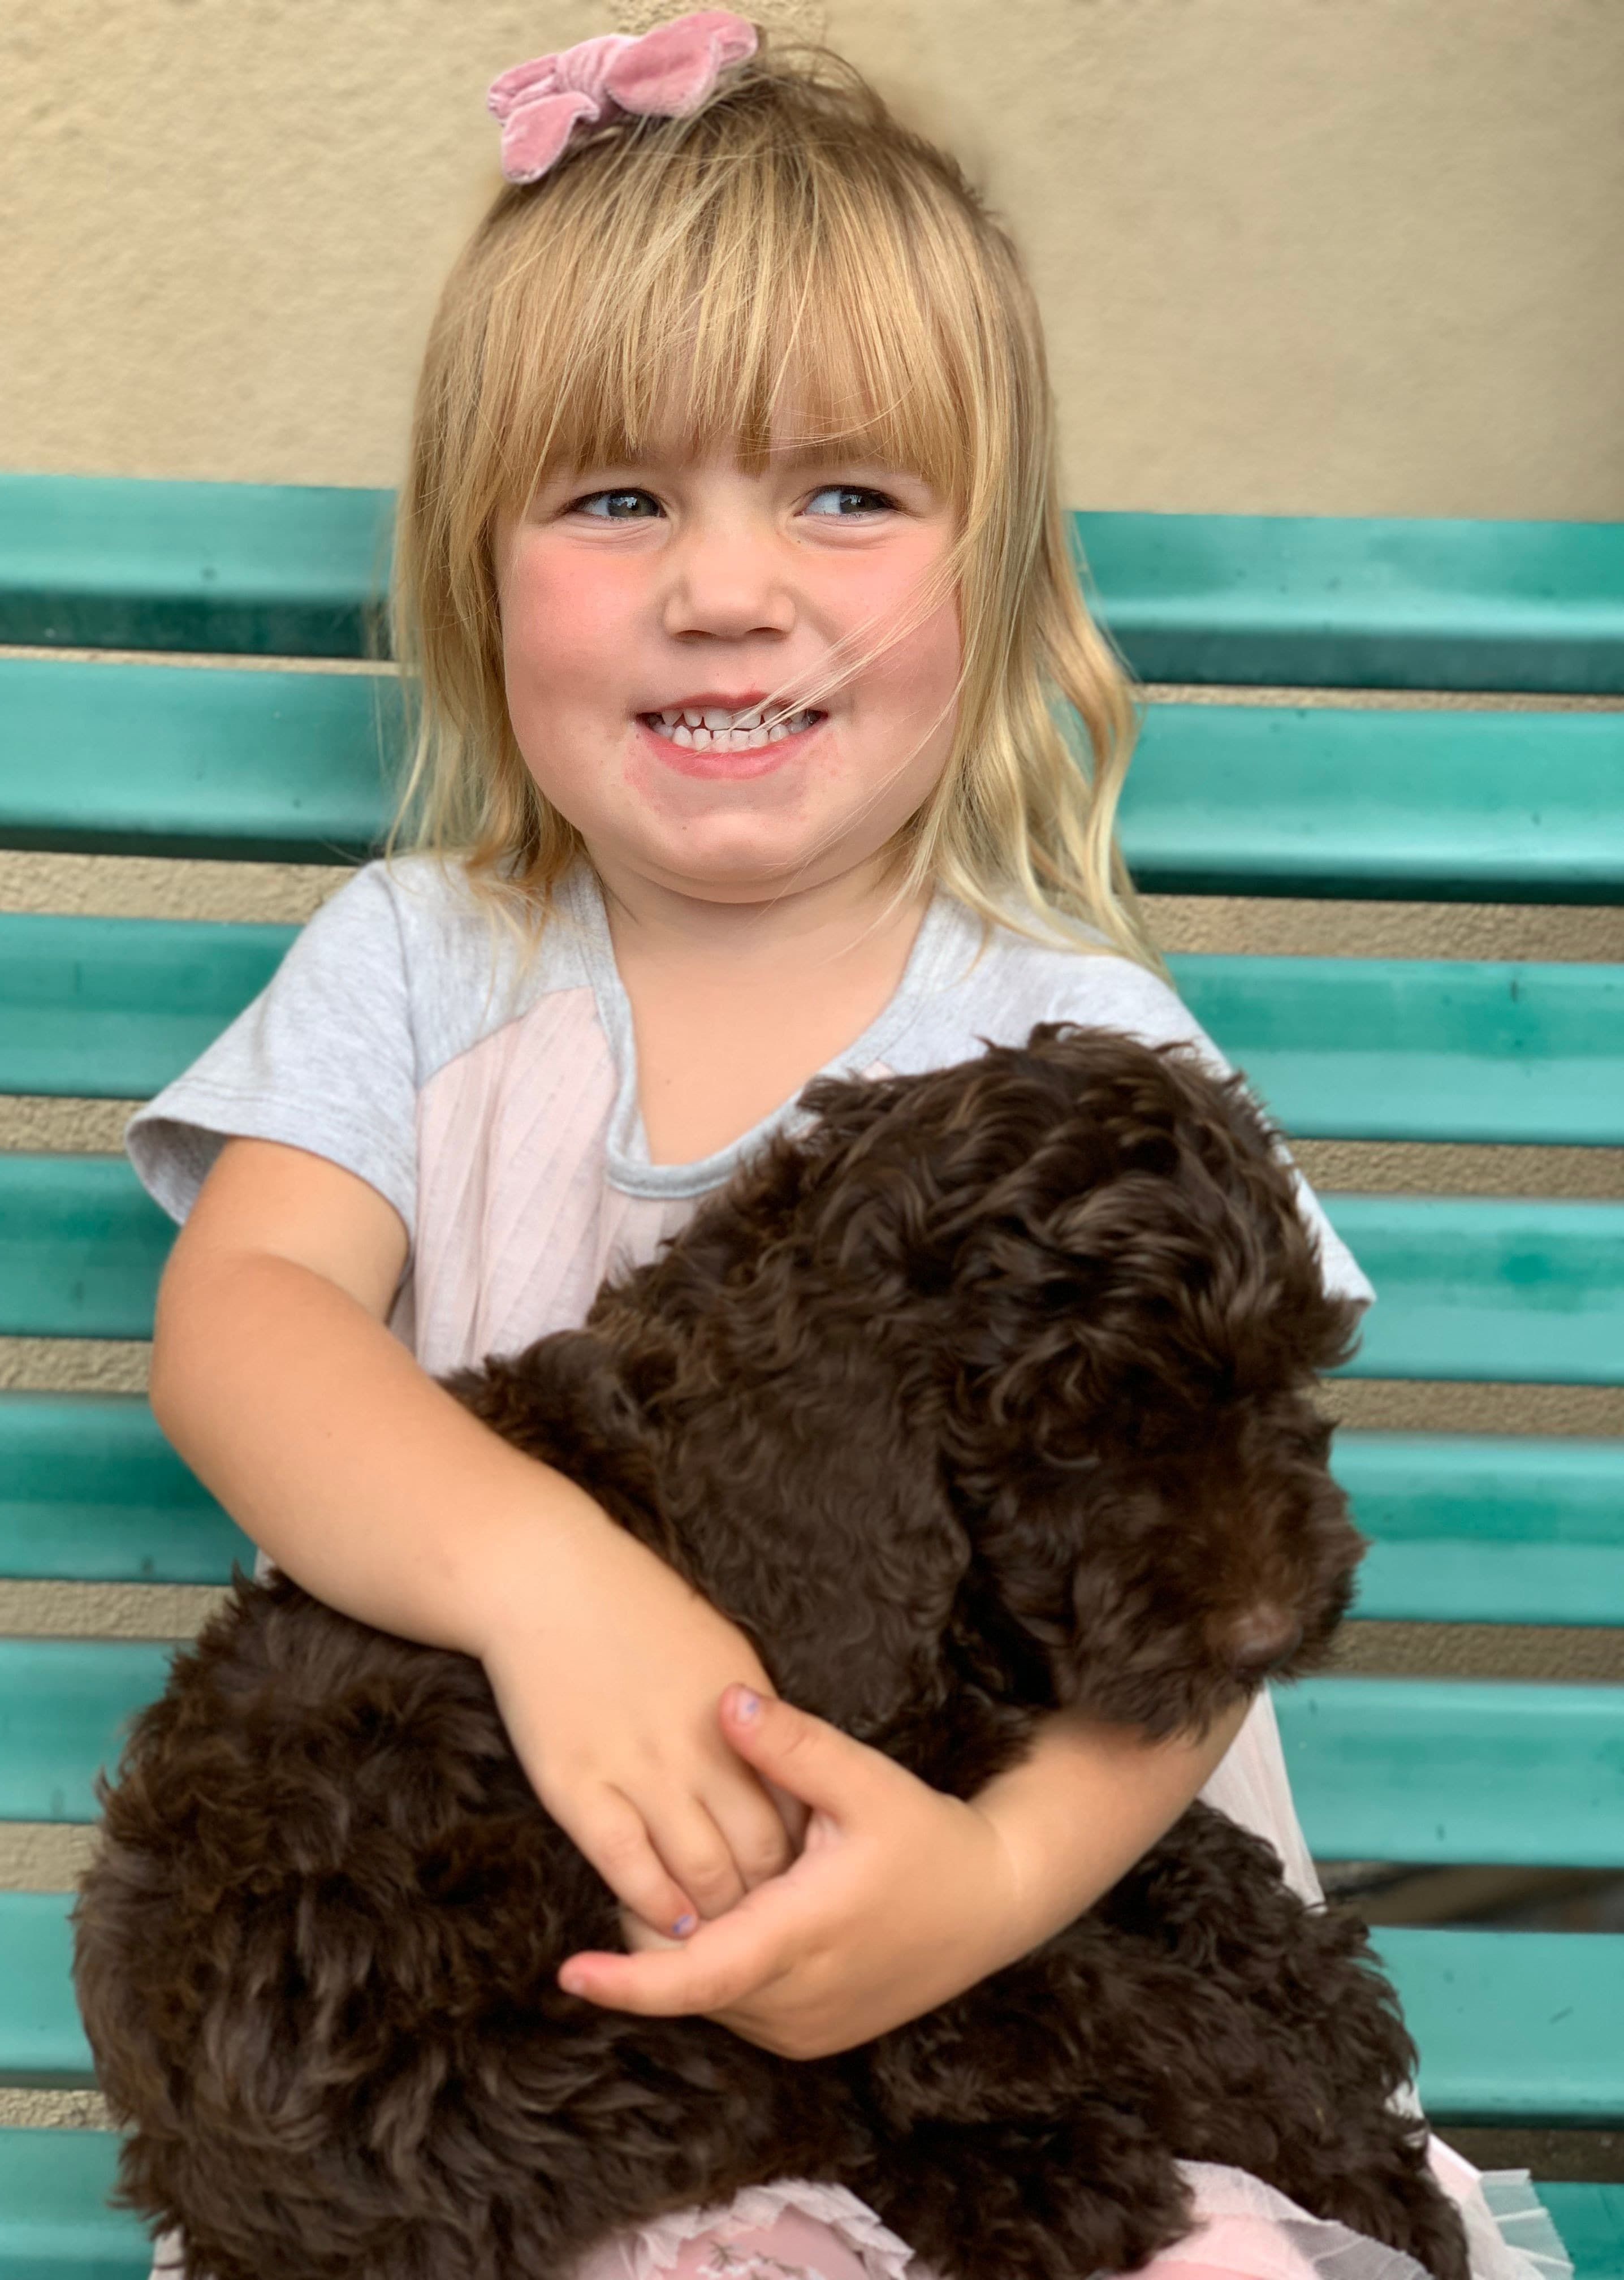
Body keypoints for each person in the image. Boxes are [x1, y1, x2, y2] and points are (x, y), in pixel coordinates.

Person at [126, 17, 1571, 2280]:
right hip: (588, 2014)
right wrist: (543, 1581)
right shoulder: (430, 962)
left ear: (986, 578)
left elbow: (1217, 1566)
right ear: (477, 572)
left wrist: (979, 1890)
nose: (728, 587)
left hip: (1044, 1988)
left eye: (847, 493)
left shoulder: (1073, 1025)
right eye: (617, 498)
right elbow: (243, 1324)